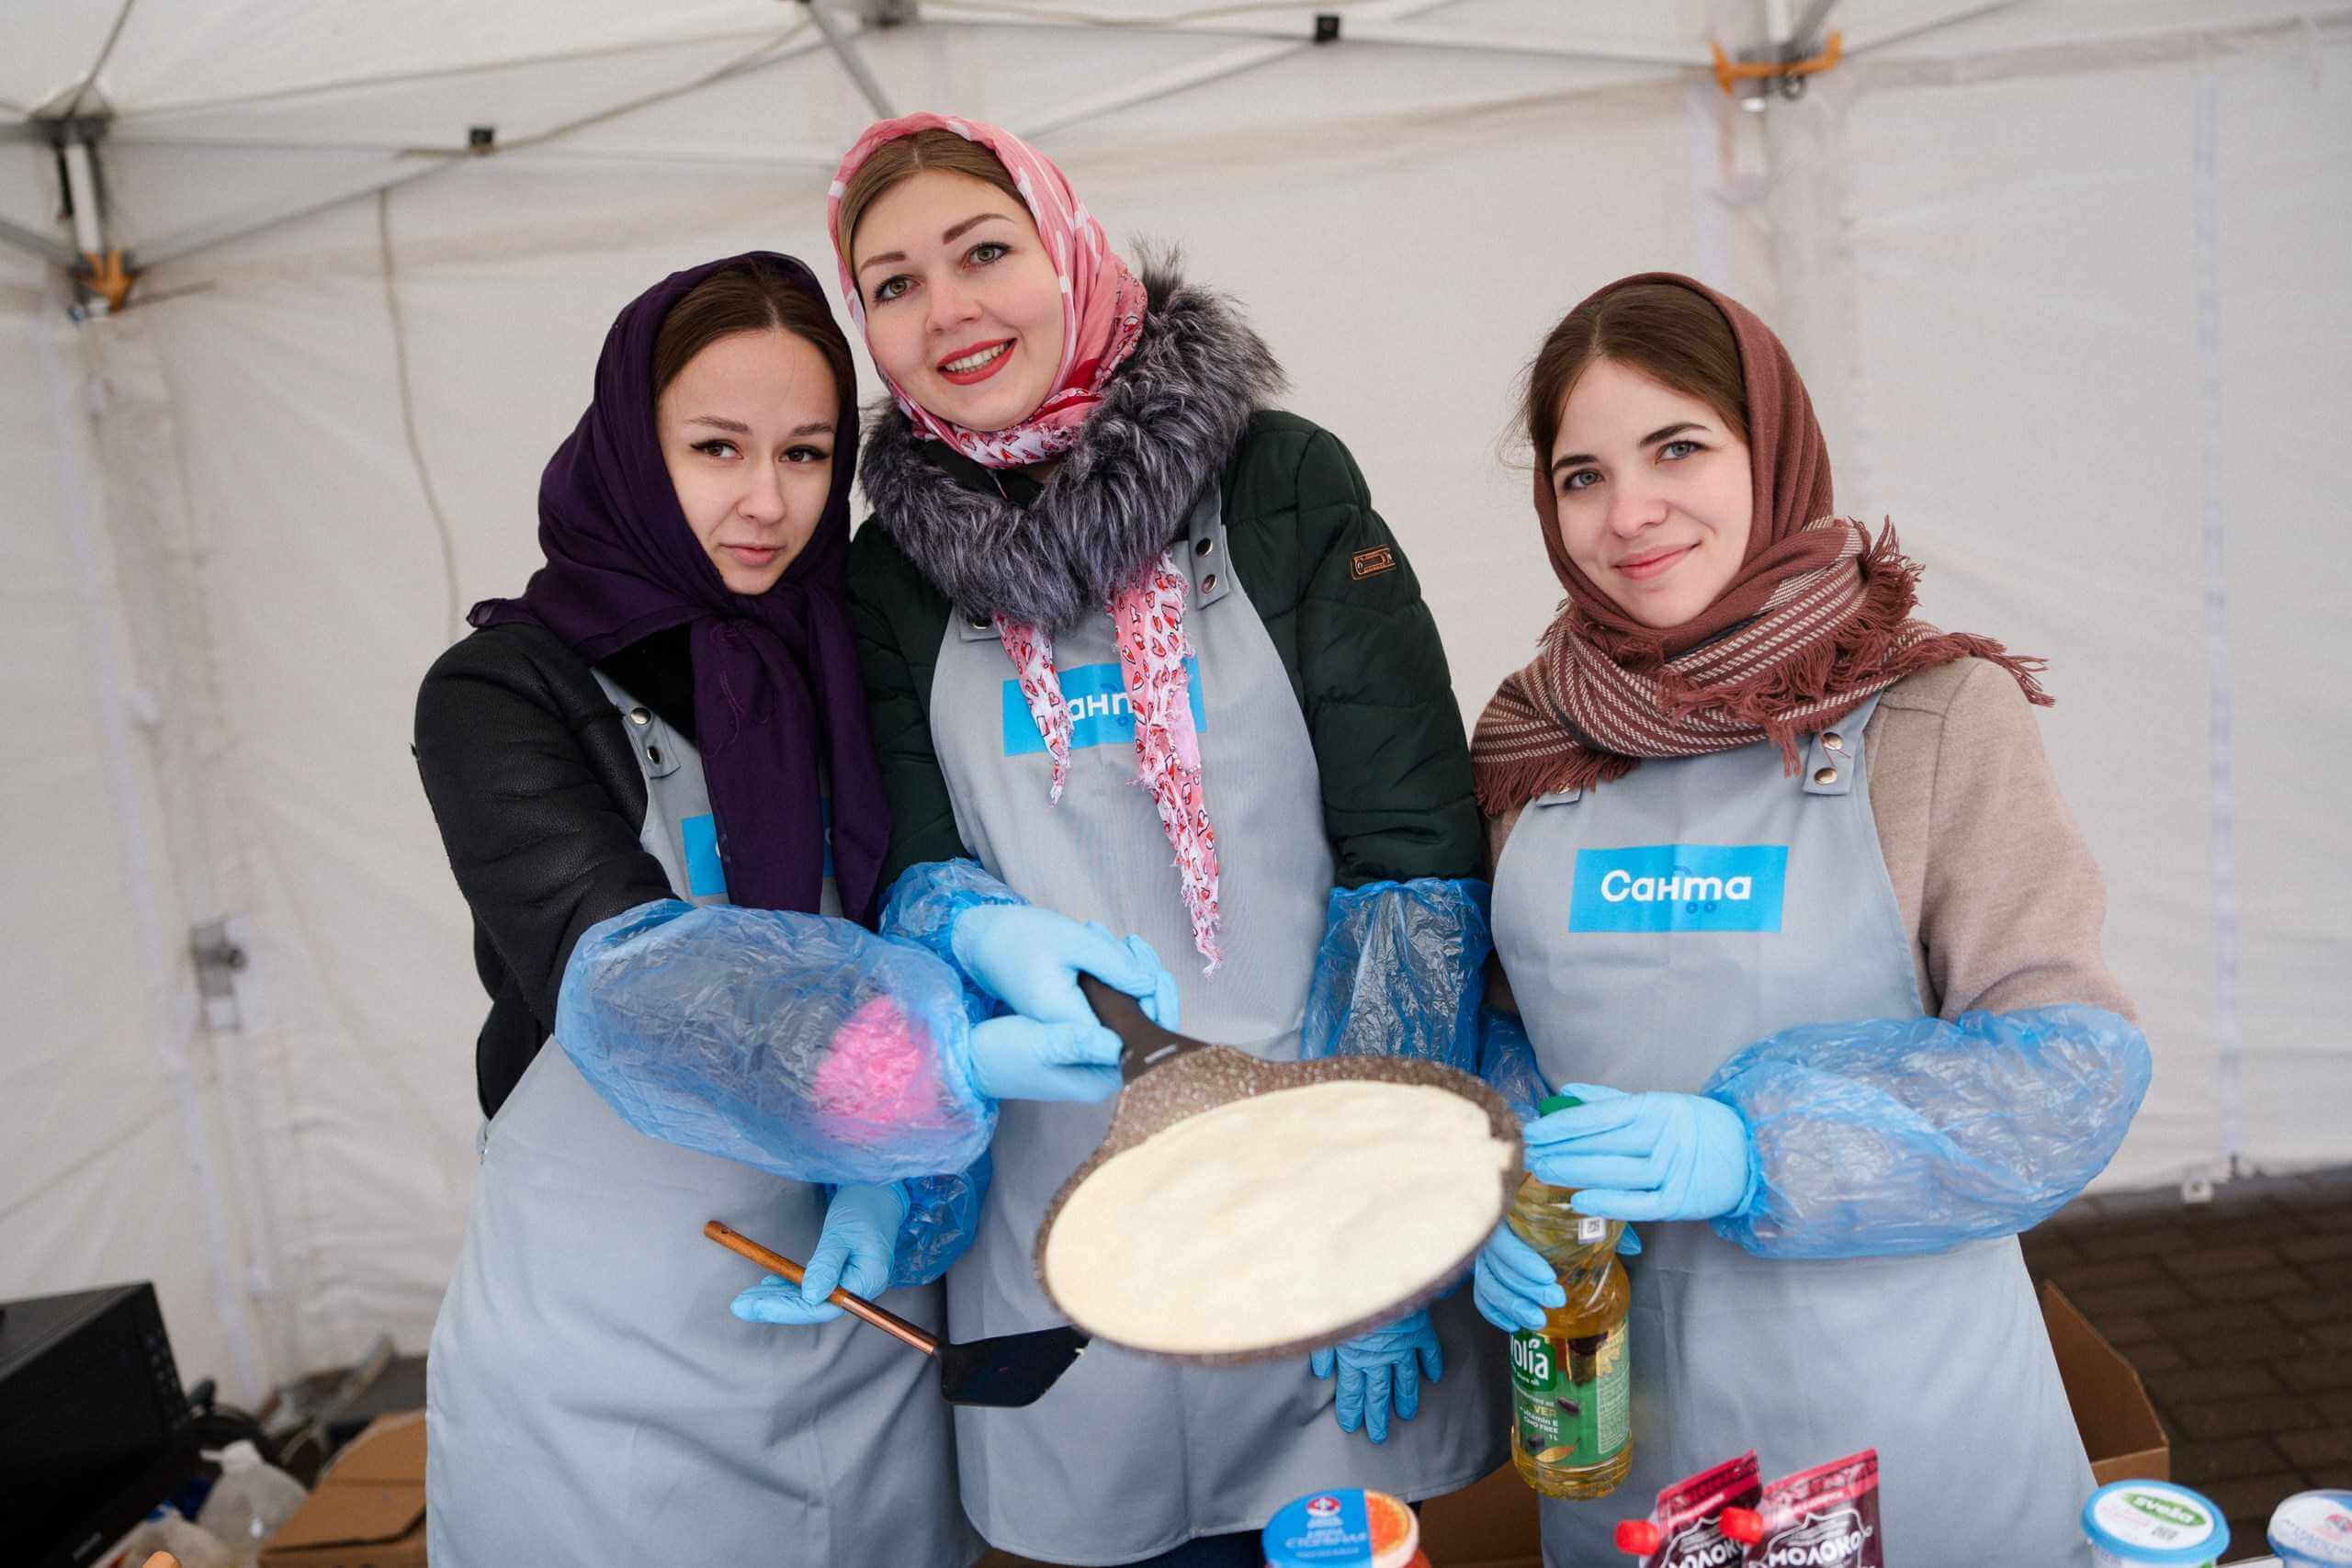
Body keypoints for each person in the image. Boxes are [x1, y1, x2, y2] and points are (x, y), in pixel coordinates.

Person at [413, 253, 1169, 1566]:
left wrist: (921, 1132)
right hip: (610, 1366)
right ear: (632, 451)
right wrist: (941, 1059)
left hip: (858, 1329)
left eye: (808, 455)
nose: (766, 503)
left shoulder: (836, 644)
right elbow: (628, 975)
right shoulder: (499, 692)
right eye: (716, 449)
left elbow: (896, 890)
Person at [831, 115, 1511, 1566]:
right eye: (891, 284)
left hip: (1322, 1172)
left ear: (1067, 249)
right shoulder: (888, 570)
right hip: (1064, 1209)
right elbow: (910, 861)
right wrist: (969, 926)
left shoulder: (1275, 483)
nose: (947, 309)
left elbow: (1413, 853)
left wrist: (1383, 1212)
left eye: (983, 252)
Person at [1466, 273, 2152, 1566]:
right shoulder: (1533, 742)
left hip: (1899, 1429)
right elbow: (1504, 1030)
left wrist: (1756, 1145)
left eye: (1678, 448)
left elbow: (2072, 1072)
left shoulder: (1933, 717)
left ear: (1770, 450)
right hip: (1621, 1431)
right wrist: (1499, 1190)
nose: (1630, 514)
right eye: (1580, 475)